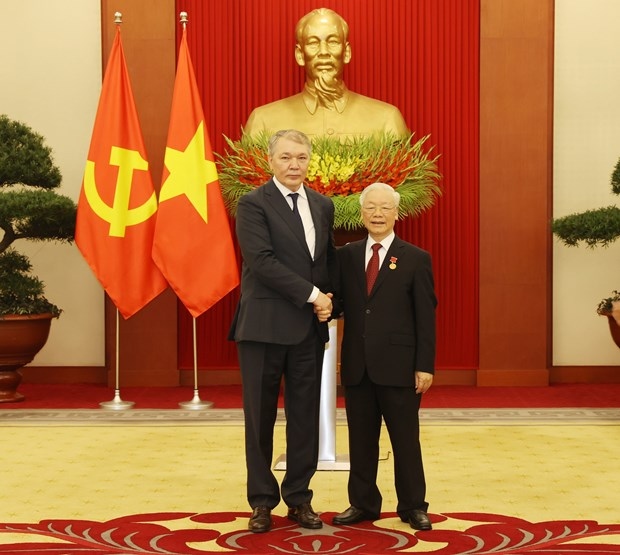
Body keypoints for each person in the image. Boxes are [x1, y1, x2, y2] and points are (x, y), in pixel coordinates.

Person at [228, 129, 339, 533]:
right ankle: (261, 501)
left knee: (304, 418)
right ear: (270, 161)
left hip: (308, 331)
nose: (295, 165)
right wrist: (314, 296)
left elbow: (323, 263)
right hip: (263, 327)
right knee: (259, 419)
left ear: (311, 161)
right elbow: (261, 261)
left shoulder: (322, 205)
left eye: (302, 158)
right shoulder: (253, 204)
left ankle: (299, 498)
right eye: (286, 158)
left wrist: (330, 301)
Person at [331, 182, 436, 531]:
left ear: (396, 213)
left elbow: (426, 316)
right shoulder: (345, 255)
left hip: (400, 367)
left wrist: (424, 365)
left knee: (405, 441)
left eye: (384, 208)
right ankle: (362, 503)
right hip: (358, 366)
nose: (377, 214)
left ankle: (413, 506)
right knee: (361, 440)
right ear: (362, 213)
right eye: (371, 208)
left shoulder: (415, 258)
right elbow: (340, 303)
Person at [243, 8, 409, 140]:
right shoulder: (263, 121)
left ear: (347, 52)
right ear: (300, 55)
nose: (323, 52)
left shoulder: (387, 119)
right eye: (313, 43)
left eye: (333, 42)